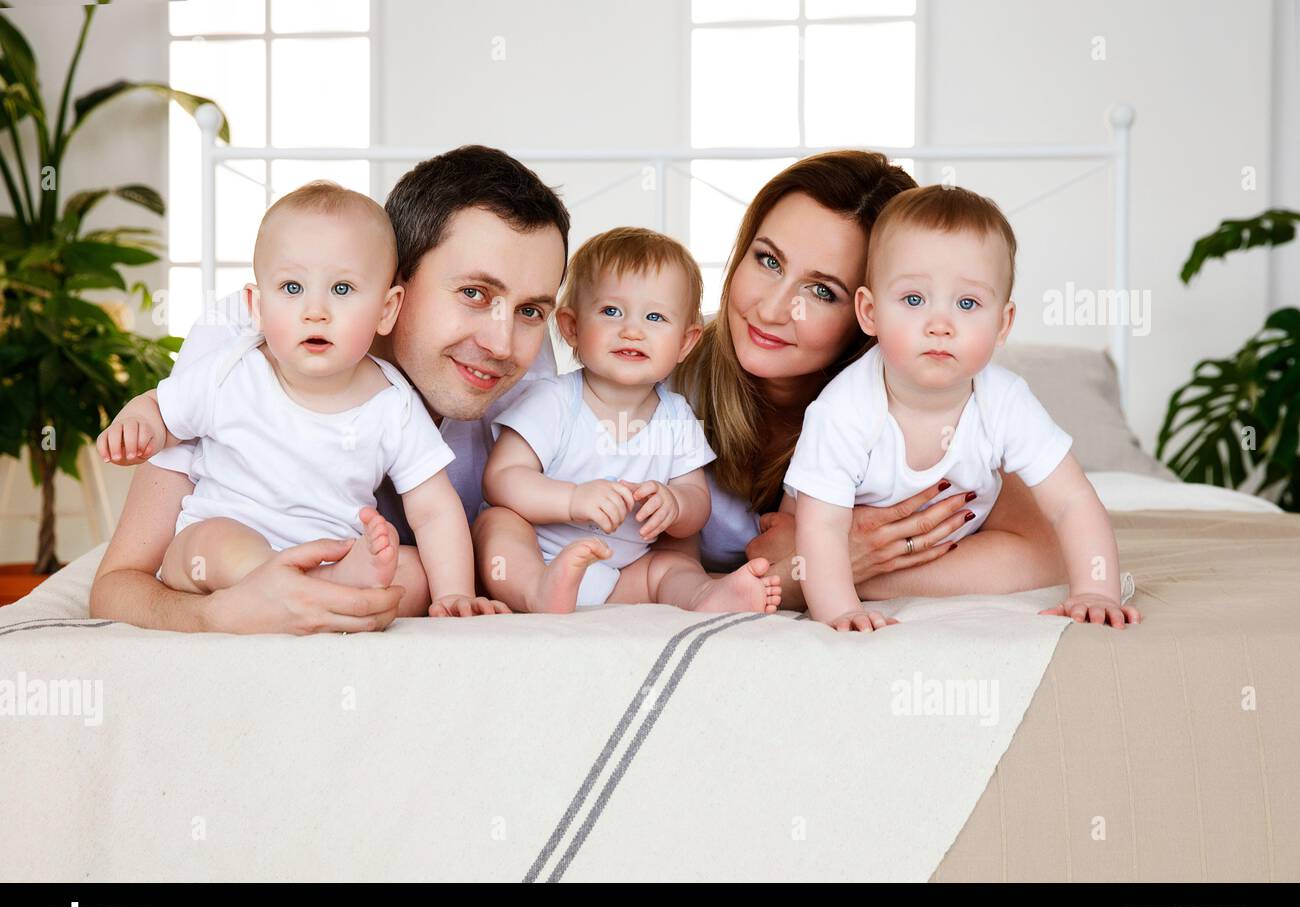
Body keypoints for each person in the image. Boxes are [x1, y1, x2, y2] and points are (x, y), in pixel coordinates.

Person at [89, 146, 569, 633]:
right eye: (474, 293)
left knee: (410, 572)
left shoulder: (525, 374)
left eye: (532, 311)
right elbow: (118, 585)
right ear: (396, 282)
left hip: (343, 560)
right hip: (226, 546)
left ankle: (325, 586)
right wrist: (218, 614)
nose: (501, 343)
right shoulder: (247, 340)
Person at [786, 185, 1142, 631]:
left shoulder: (1006, 400)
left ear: (1003, 323)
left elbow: (1072, 501)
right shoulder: (844, 409)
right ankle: (838, 579)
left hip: (944, 543)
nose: (940, 325)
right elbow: (823, 528)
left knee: (1041, 550)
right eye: (913, 300)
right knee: (799, 536)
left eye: (968, 303)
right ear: (870, 312)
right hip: (827, 518)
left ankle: (885, 580)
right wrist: (841, 610)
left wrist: (1095, 591)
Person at [477, 227, 782, 614]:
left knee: (674, 562)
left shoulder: (676, 417)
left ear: (686, 343)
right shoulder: (552, 400)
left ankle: (706, 597)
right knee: (497, 525)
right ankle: (537, 591)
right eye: (611, 311)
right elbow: (502, 478)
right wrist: (572, 499)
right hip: (541, 553)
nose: (633, 330)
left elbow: (696, 500)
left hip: (623, 572)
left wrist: (675, 504)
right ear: (571, 327)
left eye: (655, 316)